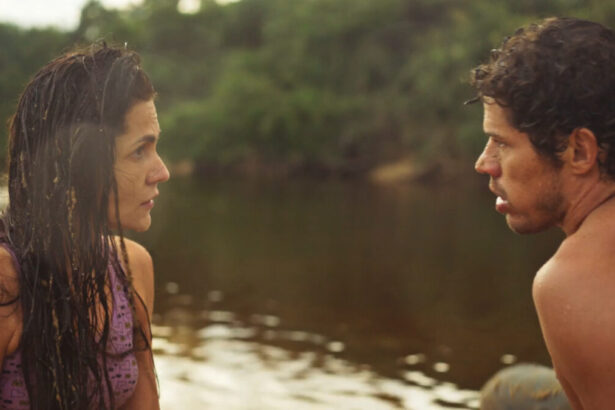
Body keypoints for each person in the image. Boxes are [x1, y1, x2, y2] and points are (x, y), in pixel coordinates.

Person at [0, 43, 170, 409]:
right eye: (140, 150)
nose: (162, 172)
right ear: (79, 163)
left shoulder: (132, 269)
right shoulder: (6, 280)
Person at [470, 17, 615, 409]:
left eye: (501, 143)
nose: (484, 163)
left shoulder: (571, 282)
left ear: (580, 152)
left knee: (506, 397)